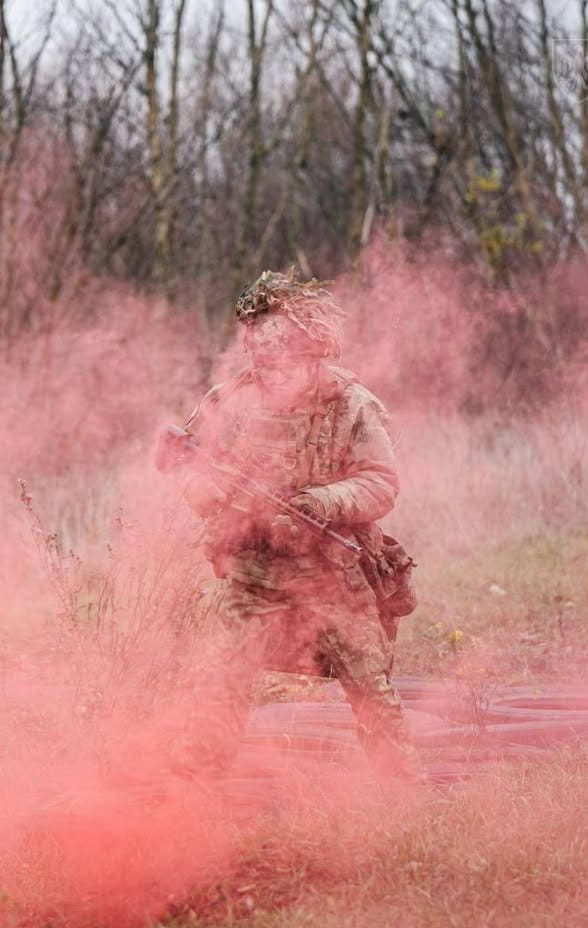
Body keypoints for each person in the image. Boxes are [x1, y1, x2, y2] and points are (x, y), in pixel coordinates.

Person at [157, 269, 419, 780]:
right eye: (262, 362)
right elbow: (197, 483)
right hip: (255, 575)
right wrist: (201, 485)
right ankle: (192, 797)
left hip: (335, 578)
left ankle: (401, 798)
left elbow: (381, 483)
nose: (272, 375)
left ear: (314, 354)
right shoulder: (231, 402)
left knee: (372, 689)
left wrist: (321, 502)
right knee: (217, 683)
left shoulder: (351, 406)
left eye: (286, 364)